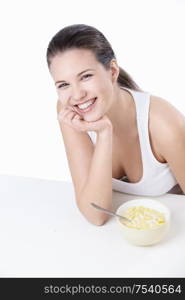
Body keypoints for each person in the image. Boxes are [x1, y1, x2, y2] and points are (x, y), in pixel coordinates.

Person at [46, 24, 185, 226]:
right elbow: (96, 214)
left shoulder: (164, 123)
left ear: (112, 71)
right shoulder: (69, 110)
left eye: (85, 76)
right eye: (64, 84)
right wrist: (104, 134)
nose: (76, 95)